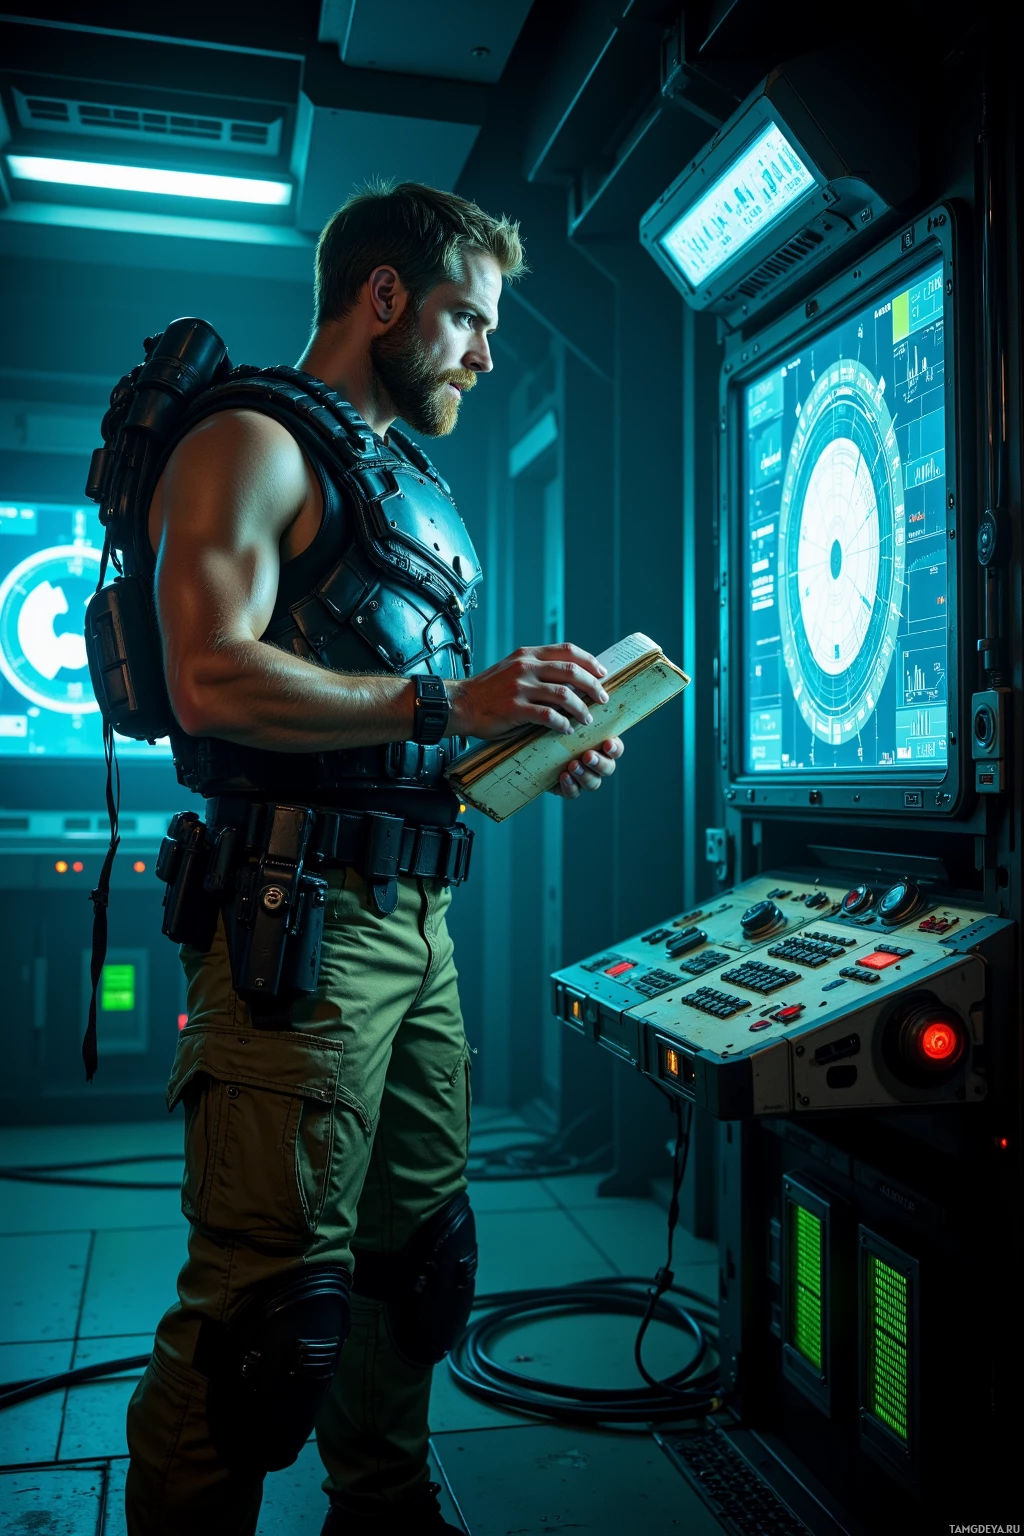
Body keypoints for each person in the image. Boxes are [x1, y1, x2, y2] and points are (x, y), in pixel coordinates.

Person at [124, 181, 624, 1536]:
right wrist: (449, 705)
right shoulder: (251, 441)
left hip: (415, 925)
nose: (483, 350)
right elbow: (210, 681)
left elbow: (399, 729)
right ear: (384, 298)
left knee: (416, 1266)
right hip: (295, 929)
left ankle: (387, 1515)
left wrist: (518, 745)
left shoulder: (402, 478)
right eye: (466, 316)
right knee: (265, 1307)